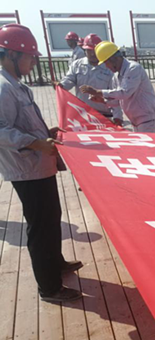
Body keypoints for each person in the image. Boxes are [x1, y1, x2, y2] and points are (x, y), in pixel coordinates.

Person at [0, 24, 83, 302]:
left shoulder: (17, 86)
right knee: (41, 226)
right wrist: (36, 143)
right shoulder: (3, 88)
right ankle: (49, 287)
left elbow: (22, 123)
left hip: (38, 166)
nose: (33, 62)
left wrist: (45, 133)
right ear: (12, 55)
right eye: (30, 57)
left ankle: (55, 263)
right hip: (27, 170)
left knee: (51, 217)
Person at [81, 41, 155, 132]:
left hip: (147, 119)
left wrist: (97, 92)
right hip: (135, 120)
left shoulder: (133, 68)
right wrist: (103, 101)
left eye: (106, 63)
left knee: (148, 142)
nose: (106, 66)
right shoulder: (116, 76)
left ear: (114, 59)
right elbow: (117, 100)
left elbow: (124, 93)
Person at [58, 34, 123, 125]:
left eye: (94, 51)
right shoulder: (77, 65)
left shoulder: (109, 67)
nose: (92, 54)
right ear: (84, 50)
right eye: (89, 51)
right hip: (83, 114)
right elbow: (69, 79)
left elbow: (115, 95)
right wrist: (61, 85)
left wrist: (117, 117)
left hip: (105, 115)